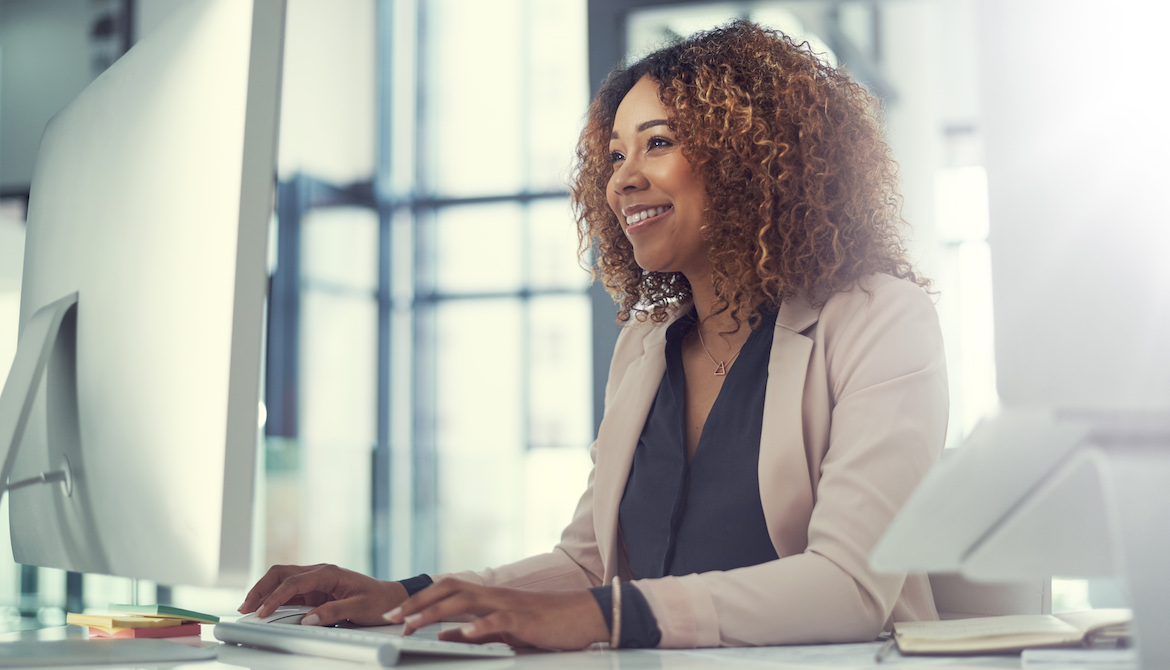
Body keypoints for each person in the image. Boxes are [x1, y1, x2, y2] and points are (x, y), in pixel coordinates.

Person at [239, 20, 948, 650]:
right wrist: (409, 599)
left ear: (751, 160)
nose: (621, 182)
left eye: (658, 144)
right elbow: (589, 565)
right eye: (614, 156)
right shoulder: (647, 344)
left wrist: (607, 617)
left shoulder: (878, 320)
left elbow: (850, 587)